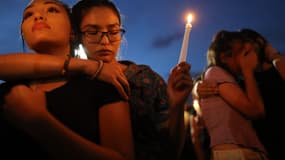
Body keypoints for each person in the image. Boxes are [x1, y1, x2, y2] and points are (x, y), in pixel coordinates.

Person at [0, 0, 134, 159]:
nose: (37, 16)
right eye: (28, 15)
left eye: (52, 10)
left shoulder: (102, 82)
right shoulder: (6, 93)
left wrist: (41, 123)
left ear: (72, 31)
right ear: (23, 32)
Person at [71, 0, 193, 159]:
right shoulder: (71, 81)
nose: (105, 41)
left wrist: (177, 106)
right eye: (93, 32)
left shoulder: (144, 79)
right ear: (77, 36)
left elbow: (172, 150)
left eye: (113, 31)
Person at [194, 28, 285, 160]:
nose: (250, 54)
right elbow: (255, 110)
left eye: (250, 50)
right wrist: (197, 87)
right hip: (253, 147)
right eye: (245, 51)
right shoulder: (242, 79)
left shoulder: (274, 69)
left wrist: (273, 55)